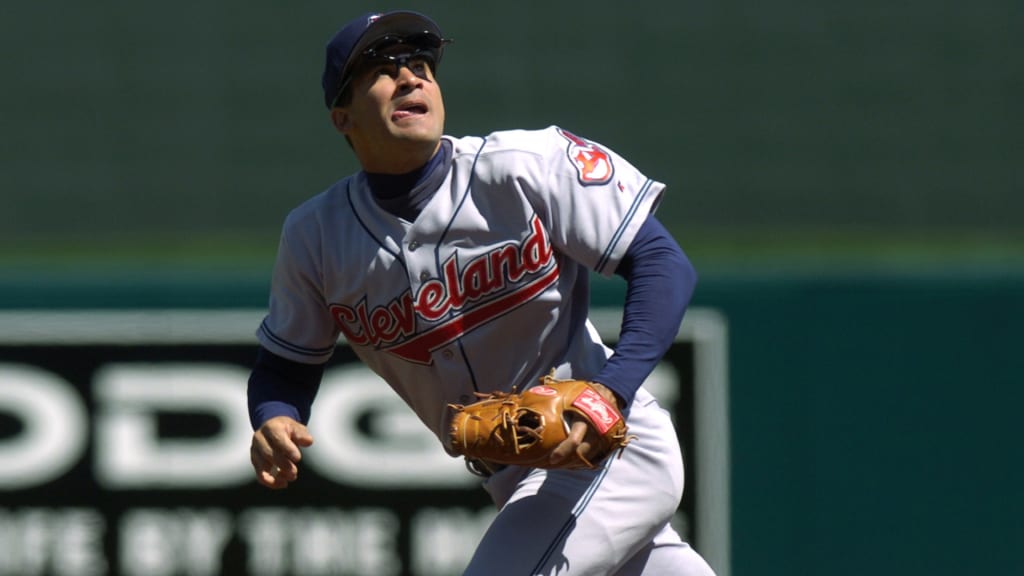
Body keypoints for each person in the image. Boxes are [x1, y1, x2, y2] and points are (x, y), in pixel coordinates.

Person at [247, 10, 715, 576]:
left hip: (607, 447)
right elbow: (284, 369)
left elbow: (661, 262)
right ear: (342, 117)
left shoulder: (522, 166)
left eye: (420, 65)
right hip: (515, 478)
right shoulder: (316, 237)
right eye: (381, 69)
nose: (410, 78)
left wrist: (609, 394)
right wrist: (273, 416)